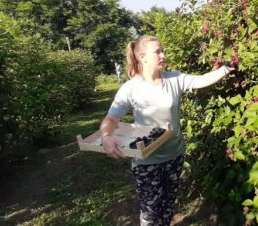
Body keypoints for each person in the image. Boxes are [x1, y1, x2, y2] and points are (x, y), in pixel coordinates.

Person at [99, 35, 233, 225]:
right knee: (150, 212)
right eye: (158, 52)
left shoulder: (174, 79)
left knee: (168, 205)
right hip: (147, 160)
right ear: (142, 57)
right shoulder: (131, 88)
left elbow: (201, 80)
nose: (163, 55)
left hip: (174, 154)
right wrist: (106, 136)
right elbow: (111, 119)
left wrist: (227, 68)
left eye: (163, 50)